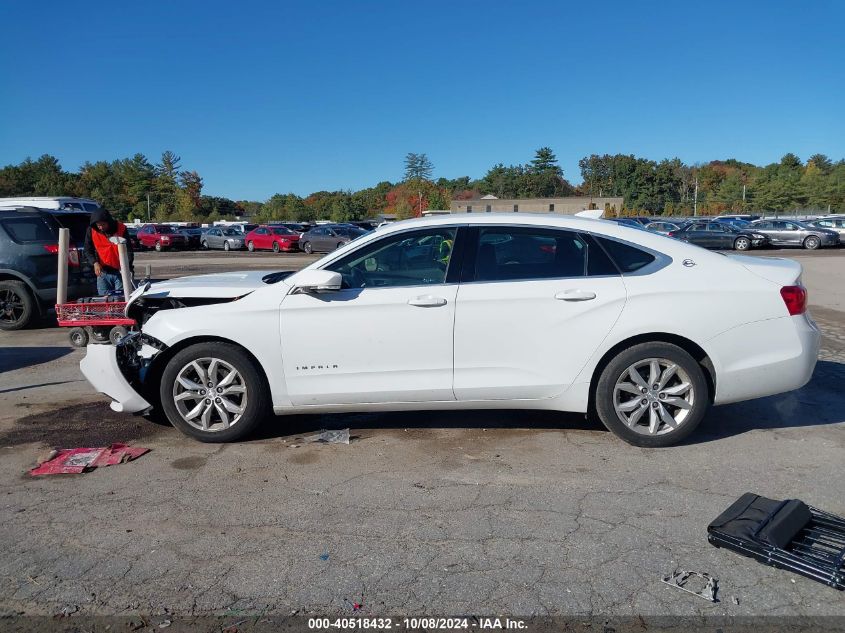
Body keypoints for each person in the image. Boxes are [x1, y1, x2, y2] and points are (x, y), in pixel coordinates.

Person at [83, 209, 133, 295]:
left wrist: (126, 266)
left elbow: (129, 251)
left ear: (109, 222)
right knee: (104, 300)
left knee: (121, 299)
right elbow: (87, 250)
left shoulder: (121, 228)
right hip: (103, 272)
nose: (101, 227)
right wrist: (95, 263)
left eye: (103, 224)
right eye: (98, 225)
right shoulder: (91, 230)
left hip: (121, 272)